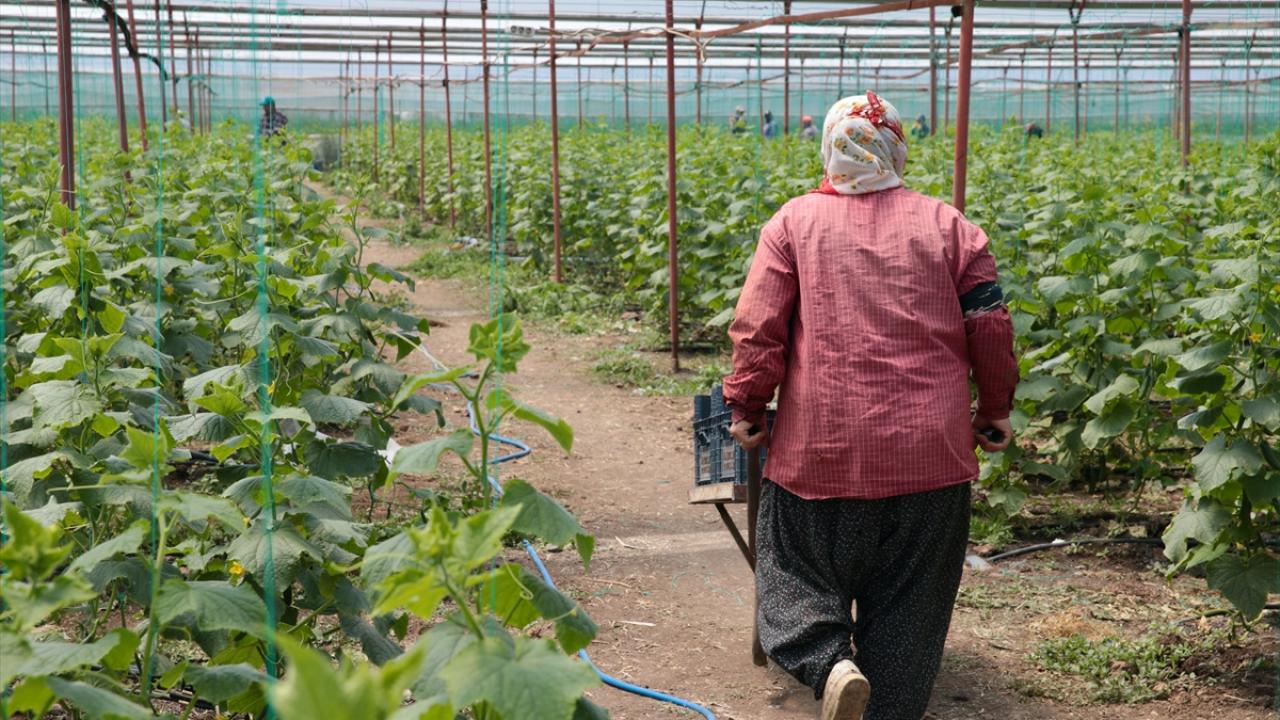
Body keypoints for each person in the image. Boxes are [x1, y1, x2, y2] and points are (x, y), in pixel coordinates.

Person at [723, 91, 1018, 720]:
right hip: (930, 462)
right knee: (911, 608)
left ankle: (832, 665)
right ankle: (891, 705)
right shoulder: (952, 227)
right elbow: (991, 324)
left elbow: (758, 330)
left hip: (819, 458)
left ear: (830, 150)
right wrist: (994, 409)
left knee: (793, 579)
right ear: (896, 150)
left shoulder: (792, 223)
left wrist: (746, 403)